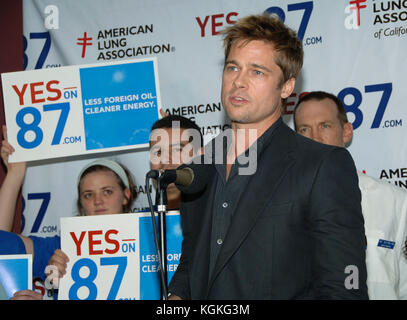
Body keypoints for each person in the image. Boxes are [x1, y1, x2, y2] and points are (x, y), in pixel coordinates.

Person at [168, 14, 368, 300]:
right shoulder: (200, 167)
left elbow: (344, 285)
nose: (239, 81)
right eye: (232, 67)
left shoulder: (321, 165)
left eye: (257, 72)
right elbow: (192, 264)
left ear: (286, 86)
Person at [293, 90, 407, 299]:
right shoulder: (281, 207)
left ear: (346, 132)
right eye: (304, 130)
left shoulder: (396, 201)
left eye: (325, 126)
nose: (315, 138)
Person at [0, 131, 136, 299]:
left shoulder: (153, 237)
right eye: (88, 195)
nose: (98, 201)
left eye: (107, 192)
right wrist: (15, 174)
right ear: (81, 203)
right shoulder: (62, 248)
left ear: (126, 195)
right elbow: (3, 242)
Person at [149, 114, 203, 209]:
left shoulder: (220, 216)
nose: (165, 159)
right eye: (158, 152)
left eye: (177, 150)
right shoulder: (137, 221)